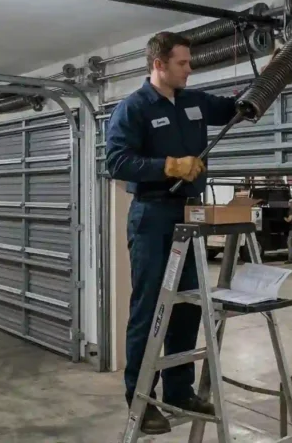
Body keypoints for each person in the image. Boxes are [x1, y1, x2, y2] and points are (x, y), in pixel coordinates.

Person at [105, 31, 238, 435]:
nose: (189, 69)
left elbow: (236, 108)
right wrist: (169, 166)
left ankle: (179, 389)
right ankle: (141, 399)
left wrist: (273, 72)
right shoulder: (134, 108)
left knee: (189, 304)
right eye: (182, 63)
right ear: (158, 64)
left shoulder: (195, 101)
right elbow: (117, 161)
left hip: (191, 216)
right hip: (153, 216)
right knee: (150, 308)